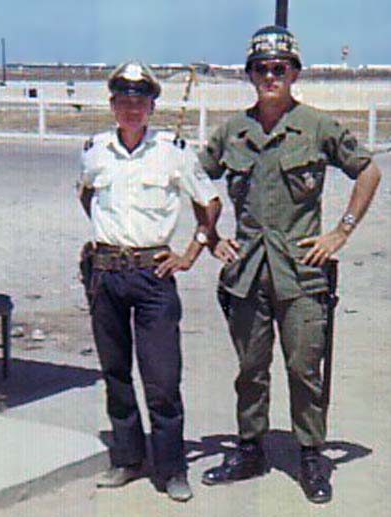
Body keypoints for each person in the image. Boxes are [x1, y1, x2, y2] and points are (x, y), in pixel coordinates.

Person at [198, 26, 381, 504]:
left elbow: (369, 170)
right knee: (250, 369)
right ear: (250, 75)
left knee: (304, 369)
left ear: (294, 72)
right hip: (247, 272)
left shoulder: (317, 127)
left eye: (280, 68)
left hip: (301, 272)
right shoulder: (231, 132)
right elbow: (197, 179)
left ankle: (311, 455)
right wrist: (211, 237)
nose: (270, 76)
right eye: (261, 69)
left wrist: (339, 231)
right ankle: (250, 448)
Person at [78, 60, 222, 502]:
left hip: (153, 276)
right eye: (124, 101)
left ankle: (172, 469)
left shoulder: (173, 150)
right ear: (112, 105)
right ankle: (126, 458)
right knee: (115, 373)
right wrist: (110, 241)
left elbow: (209, 202)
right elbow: (86, 194)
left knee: (161, 379)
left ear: (152, 106)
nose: (132, 109)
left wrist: (192, 250)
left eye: (140, 101)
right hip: (106, 274)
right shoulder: (95, 148)